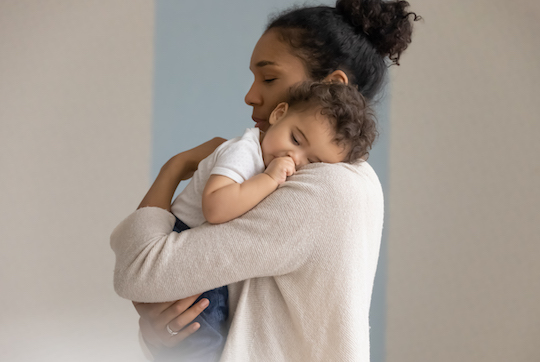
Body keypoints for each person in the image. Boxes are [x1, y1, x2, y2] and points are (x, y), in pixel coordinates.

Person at [111, 0, 420, 360]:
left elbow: (139, 270)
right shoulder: (332, 179)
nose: (250, 95)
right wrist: (163, 334)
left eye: (269, 78)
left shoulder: (328, 189)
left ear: (333, 84)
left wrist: (175, 168)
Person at [155, 81, 377, 361]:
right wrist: (270, 179)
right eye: (295, 140)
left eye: (312, 162)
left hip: (203, 251)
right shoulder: (243, 151)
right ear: (278, 114)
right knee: (203, 343)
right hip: (183, 237)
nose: (293, 158)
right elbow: (216, 207)